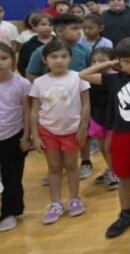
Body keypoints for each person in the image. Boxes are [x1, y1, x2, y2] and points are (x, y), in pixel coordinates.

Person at [79, 37, 130, 237]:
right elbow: (82, 74)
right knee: (124, 176)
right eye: (126, 61)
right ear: (120, 62)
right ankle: (126, 214)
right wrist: (111, 62)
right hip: (121, 134)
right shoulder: (114, 78)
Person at [25, 14, 94, 180]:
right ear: (60, 31)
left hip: (79, 99)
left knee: (82, 133)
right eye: (75, 29)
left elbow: (91, 73)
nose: (80, 33)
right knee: (53, 148)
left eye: (81, 29)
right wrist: (49, 89)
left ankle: (85, 161)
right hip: (53, 103)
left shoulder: (84, 50)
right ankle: (54, 170)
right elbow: (30, 73)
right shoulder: (41, 52)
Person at [29, 40, 91, 224]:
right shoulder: (39, 82)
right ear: (45, 59)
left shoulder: (79, 77)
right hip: (48, 131)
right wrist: (35, 134)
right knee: (54, 168)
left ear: (70, 58)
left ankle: (74, 198)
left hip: (72, 130)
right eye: (54, 57)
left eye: (64, 56)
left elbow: (86, 104)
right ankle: (55, 203)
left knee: (72, 165)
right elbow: (34, 110)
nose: (59, 61)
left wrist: (83, 127)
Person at [0, 43, 32, 232]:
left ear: (12, 59)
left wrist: (25, 137)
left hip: (13, 137)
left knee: (12, 177)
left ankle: (9, 212)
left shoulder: (22, 84)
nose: (0, 63)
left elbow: (27, 112)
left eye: (4, 58)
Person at [84, 48, 119, 191]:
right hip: (97, 117)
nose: (97, 64)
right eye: (94, 61)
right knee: (102, 147)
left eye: (102, 61)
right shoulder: (89, 79)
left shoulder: (116, 77)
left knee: (110, 148)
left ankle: (115, 173)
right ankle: (111, 169)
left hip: (113, 118)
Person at [17, 13, 53, 78]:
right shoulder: (28, 45)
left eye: (50, 25)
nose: (47, 27)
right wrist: (30, 78)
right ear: (34, 27)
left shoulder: (60, 42)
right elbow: (21, 65)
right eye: (43, 24)